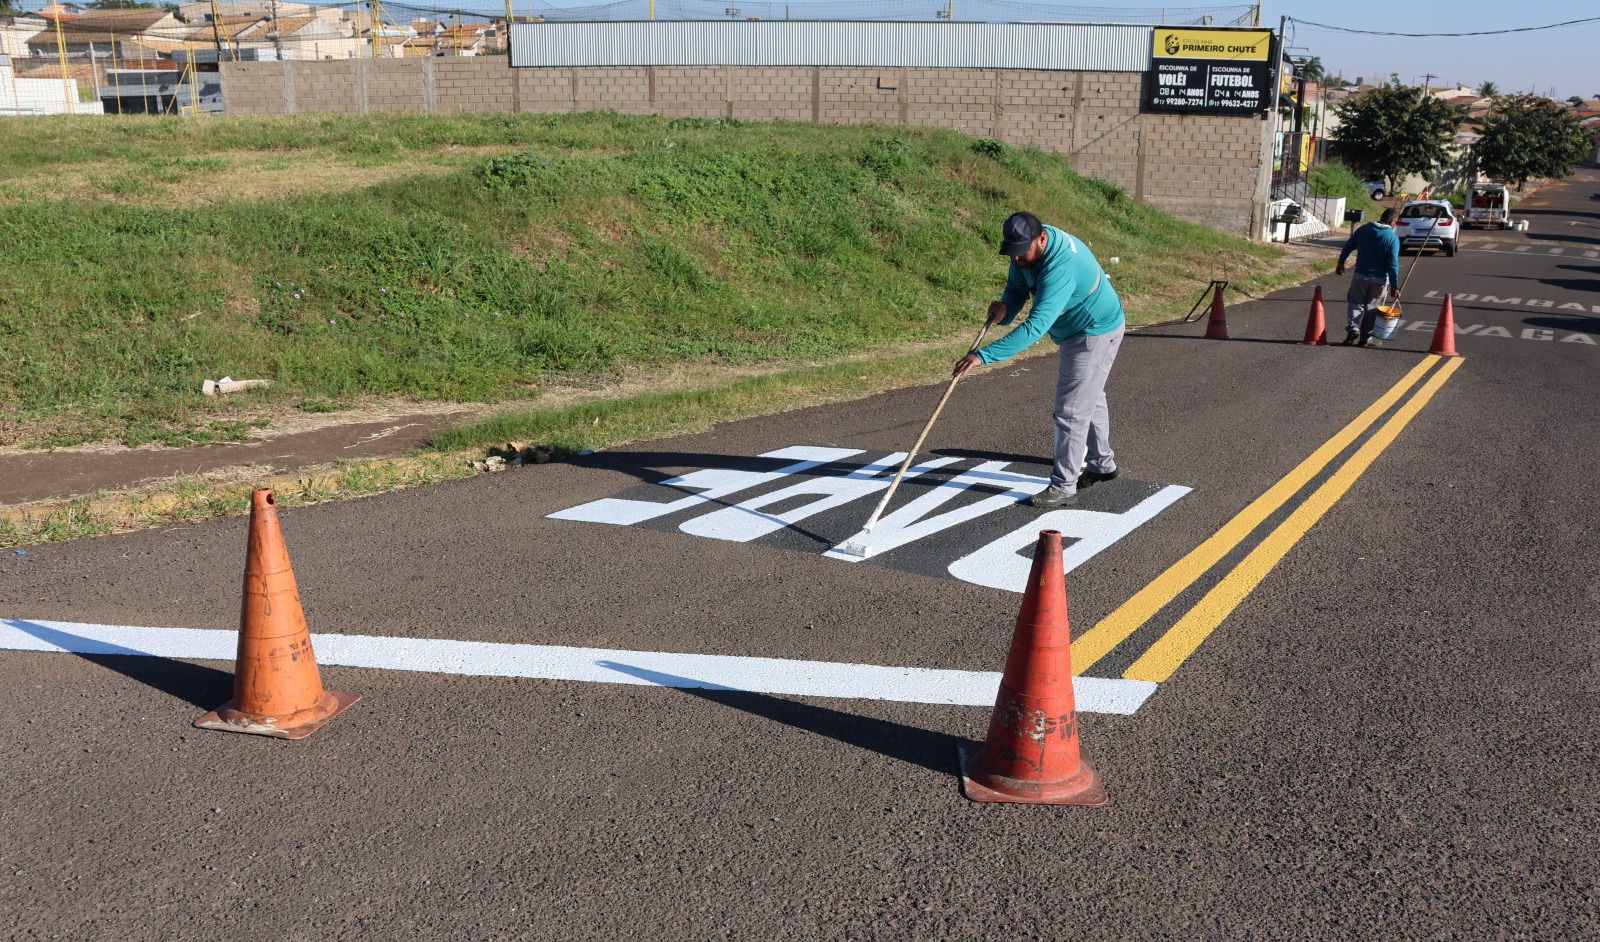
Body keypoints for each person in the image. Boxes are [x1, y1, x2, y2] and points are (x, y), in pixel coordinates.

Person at [953, 211, 1125, 509]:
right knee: (1089, 395)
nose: (1016, 258)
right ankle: (1102, 464)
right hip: (1078, 328)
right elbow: (1017, 287)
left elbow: (1035, 327)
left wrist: (983, 355)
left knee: (1071, 410)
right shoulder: (1026, 250)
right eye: (1012, 252)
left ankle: (1064, 487)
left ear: (1041, 238)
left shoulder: (1061, 268)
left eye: (1022, 252)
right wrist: (1006, 311)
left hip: (1093, 331)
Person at [1335, 207, 1402, 347]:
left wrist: (1341, 262)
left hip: (1360, 275)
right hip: (1379, 279)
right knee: (1373, 307)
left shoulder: (1363, 229)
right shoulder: (1392, 238)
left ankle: (1353, 328)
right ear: (1391, 221)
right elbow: (1393, 264)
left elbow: (1349, 245)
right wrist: (1395, 286)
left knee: (1355, 302)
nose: (1396, 225)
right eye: (1396, 222)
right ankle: (1365, 337)